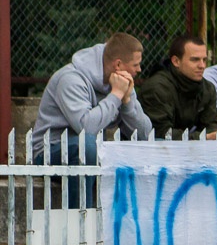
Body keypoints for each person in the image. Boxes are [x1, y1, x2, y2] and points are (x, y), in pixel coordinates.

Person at [32, 32, 152, 206]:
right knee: (87, 146)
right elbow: (86, 128)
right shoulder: (71, 79)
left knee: (158, 145)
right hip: (51, 151)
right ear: (118, 64)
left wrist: (126, 102)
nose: (139, 70)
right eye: (136, 65)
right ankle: (80, 221)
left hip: (94, 152)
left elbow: (144, 136)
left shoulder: (122, 80)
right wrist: (116, 95)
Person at [141, 34, 217, 140]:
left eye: (204, 60)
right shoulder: (157, 88)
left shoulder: (207, 88)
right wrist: (202, 137)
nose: (202, 66)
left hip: (188, 145)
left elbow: (213, 127)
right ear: (176, 61)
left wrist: (211, 136)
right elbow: (161, 132)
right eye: (195, 60)